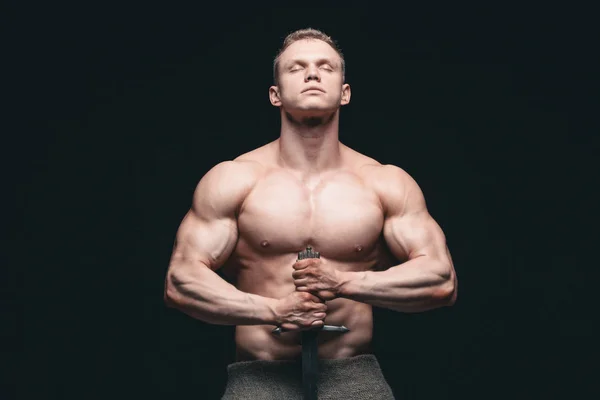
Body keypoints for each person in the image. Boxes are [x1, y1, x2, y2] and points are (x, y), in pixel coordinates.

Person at [163, 28, 457, 399]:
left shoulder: (384, 182)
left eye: (325, 67)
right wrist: (275, 310)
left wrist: (343, 283)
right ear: (275, 95)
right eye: (296, 68)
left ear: (345, 92)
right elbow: (181, 281)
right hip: (260, 375)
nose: (312, 74)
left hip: (353, 374)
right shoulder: (233, 179)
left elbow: (440, 279)